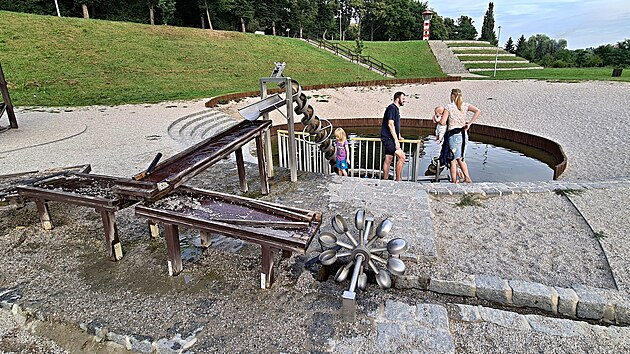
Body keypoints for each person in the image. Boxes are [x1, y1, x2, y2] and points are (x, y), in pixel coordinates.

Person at [439, 88, 481, 184]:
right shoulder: (465, 105)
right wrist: (469, 123)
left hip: (453, 134)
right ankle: (467, 177)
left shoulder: (449, 107)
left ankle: (455, 181)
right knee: (461, 158)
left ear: (452, 96)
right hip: (463, 134)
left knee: (453, 159)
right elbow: (478, 111)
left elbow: (442, 122)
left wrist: (438, 119)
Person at [380, 92, 406, 181]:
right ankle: (398, 180)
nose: (404, 100)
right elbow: (390, 124)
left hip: (389, 138)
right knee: (402, 157)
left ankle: (385, 180)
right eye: (403, 98)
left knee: (389, 158)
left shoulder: (395, 109)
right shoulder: (392, 108)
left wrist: (399, 136)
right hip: (388, 138)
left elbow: (395, 125)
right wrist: (396, 140)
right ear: (397, 99)